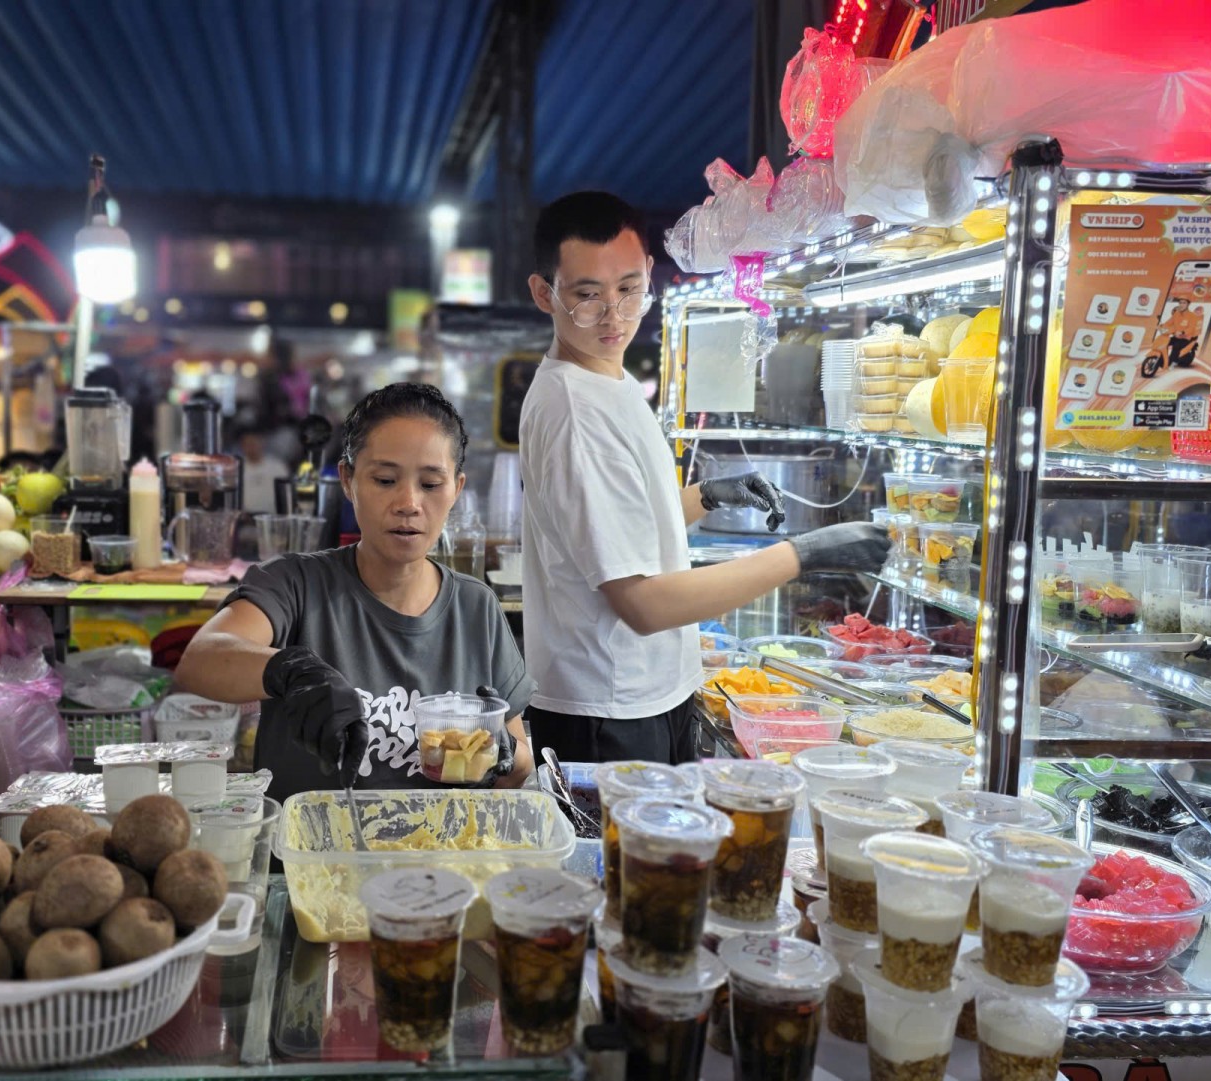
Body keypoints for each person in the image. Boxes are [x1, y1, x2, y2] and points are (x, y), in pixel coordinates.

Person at [518, 192, 890, 765]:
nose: (614, 315)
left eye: (629, 289)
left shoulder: (608, 381)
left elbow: (627, 522)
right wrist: (804, 555)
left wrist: (707, 497)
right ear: (545, 293)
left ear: (649, 273)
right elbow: (643, 604)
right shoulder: (576, 412)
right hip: (608, 711)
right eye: (587, 295)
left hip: (640, 695)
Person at [174, 383, 533, 804]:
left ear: (456, 488)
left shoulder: (476, 608)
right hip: (312, 842)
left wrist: (499, 752)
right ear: (348, 480)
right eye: (385, 480)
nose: (408, 502)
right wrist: (291, 673)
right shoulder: (296, 584)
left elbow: (520, 765)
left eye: (431, 484)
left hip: (440, 842)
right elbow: (200, 661)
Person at [238, 426, 290, 514]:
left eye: (254, 443)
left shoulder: (277, 466)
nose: (251, 447)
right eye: (247, 444)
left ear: (262, 442)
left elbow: (286, 494)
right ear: (242, 446)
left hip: (273, 516)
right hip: (246, 517)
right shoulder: (236, 468)